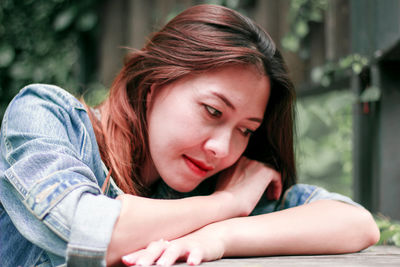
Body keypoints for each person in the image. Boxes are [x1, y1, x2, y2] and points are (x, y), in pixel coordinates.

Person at [0, 4, 379, 267]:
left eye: (246, 130)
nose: (222, 149)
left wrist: (219, 237)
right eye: (213, 111)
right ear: (154, 84)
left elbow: (355, 224)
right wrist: (228, 203)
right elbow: (86, 232)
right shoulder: (46, 115)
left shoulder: (206, 181)